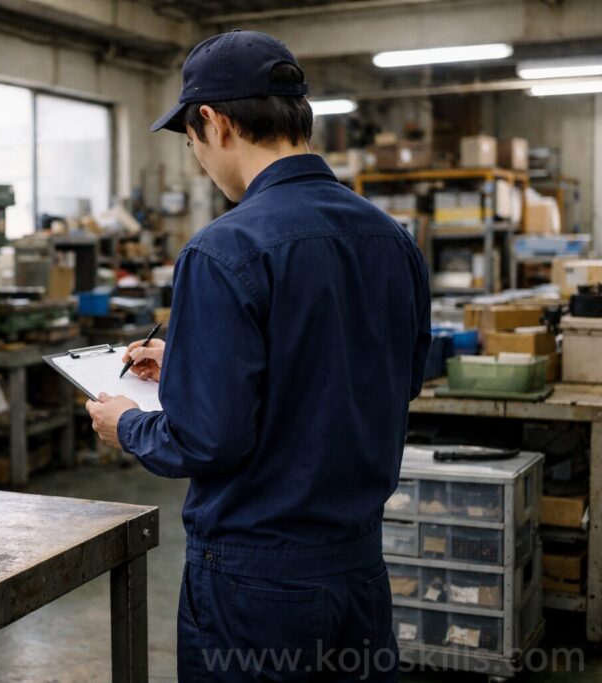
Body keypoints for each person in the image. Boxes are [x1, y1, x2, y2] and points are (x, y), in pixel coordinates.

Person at [85, 30, 431, 682]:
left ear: (213, 123)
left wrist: (127, 422)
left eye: (191, 143)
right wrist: (194, 357)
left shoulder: (224, 248)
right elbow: (391, 377)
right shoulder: (393, 241)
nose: (200, 161)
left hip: (256, 583)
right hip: (358, 569)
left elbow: (207, 439)